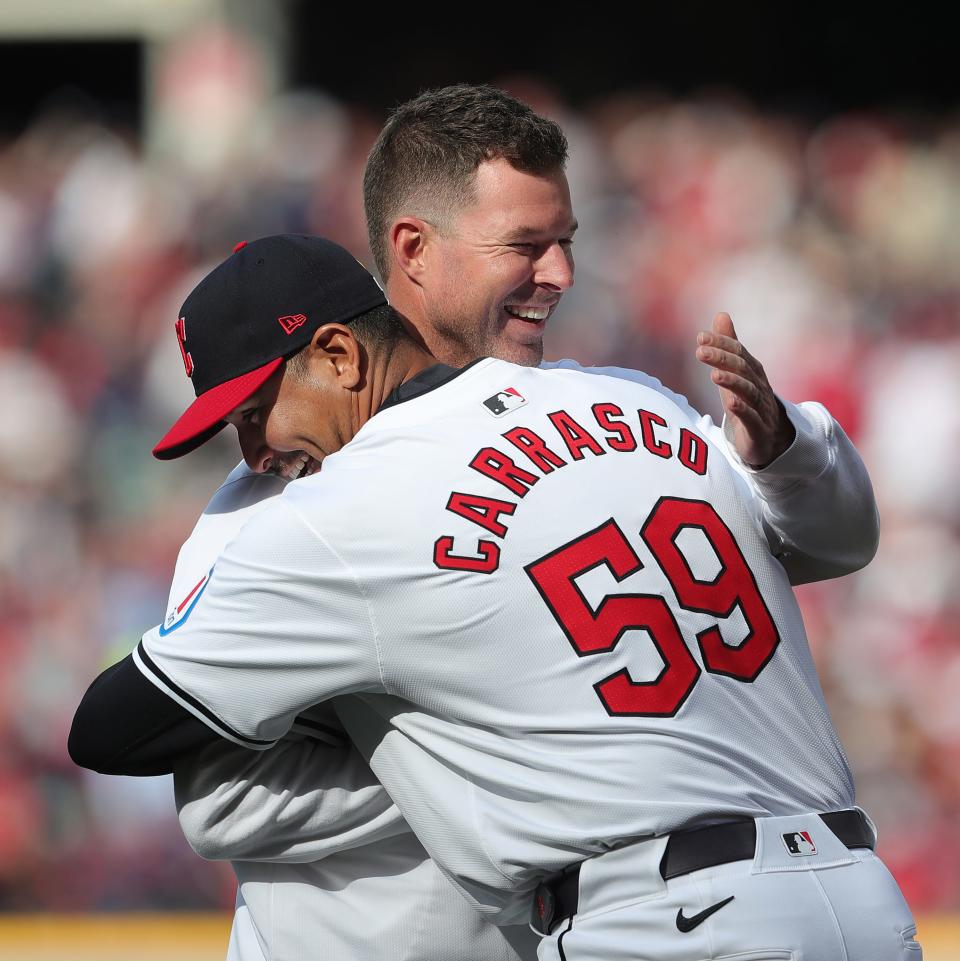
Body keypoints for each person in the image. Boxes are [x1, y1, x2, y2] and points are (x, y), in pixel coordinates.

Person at [155, 85, 875, 961]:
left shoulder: (607, 413)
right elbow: (217, 799)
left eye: (565, 242)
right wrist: (501, 753)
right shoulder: (269, 504)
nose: (562, 274)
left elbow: (831, 542)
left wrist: (783, 454)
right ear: (413, 251)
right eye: (526, 246)